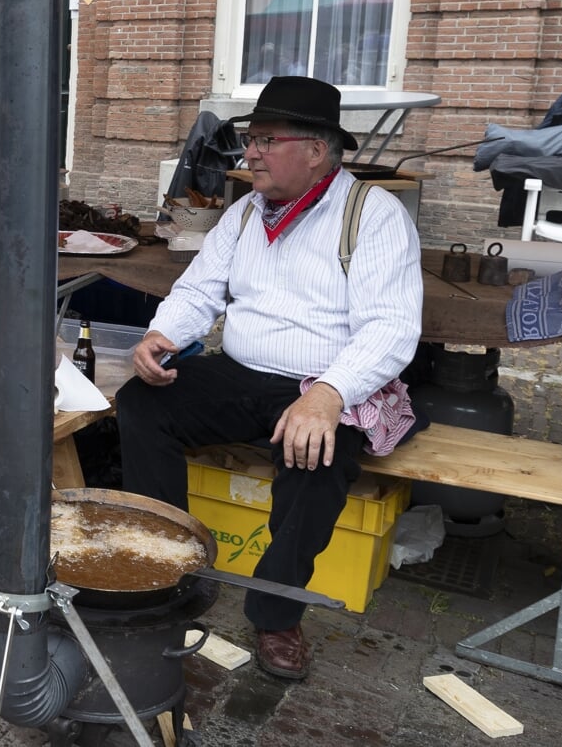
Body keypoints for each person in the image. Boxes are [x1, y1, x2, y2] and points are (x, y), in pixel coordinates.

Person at [115, 76, 422, 680]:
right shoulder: (245, 214)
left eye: (264, 140)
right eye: (249, 139)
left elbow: (391, 326)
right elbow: (200, 289)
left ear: (316, 149)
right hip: (240, 372)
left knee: (319, 458)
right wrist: (162, 336)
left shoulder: (373, 215)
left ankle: (276, 615)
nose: (248, 153)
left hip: (322, 382)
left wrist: (330, 396)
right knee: (141, 404)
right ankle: (170, 566)